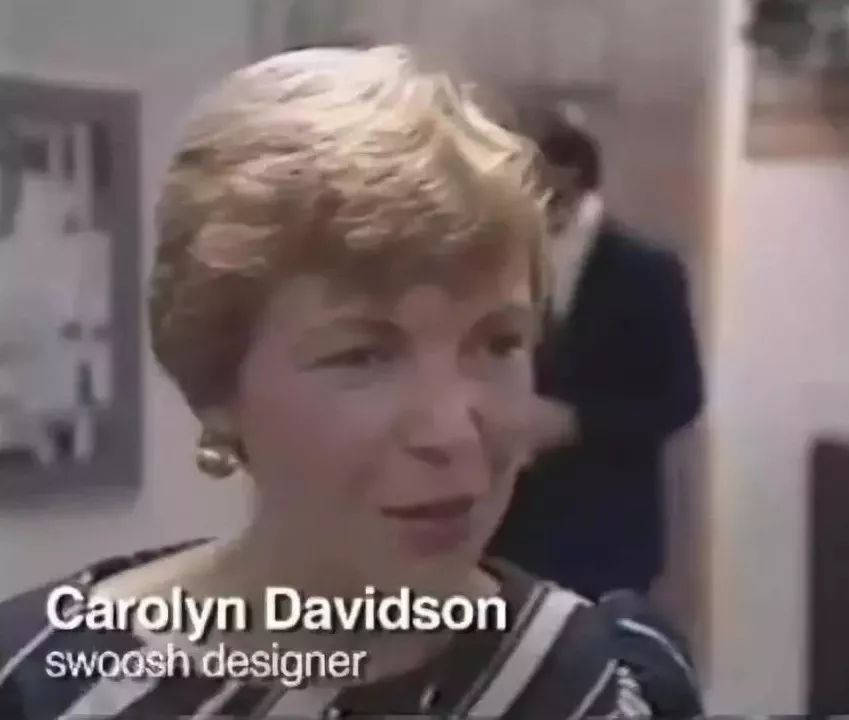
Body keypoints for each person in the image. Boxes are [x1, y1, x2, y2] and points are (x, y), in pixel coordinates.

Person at [0, 47, 701, 718]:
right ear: (217, 383)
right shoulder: (46, 686)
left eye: (498, 343)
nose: (453, 433)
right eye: (363, 356)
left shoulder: (602, 684)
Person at [489, 108, 705, 600]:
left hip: (606, 536)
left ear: (568, 176)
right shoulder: (496, 262)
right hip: (506, 538)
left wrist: (577, 423)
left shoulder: (646, 272)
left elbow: (680, 399)